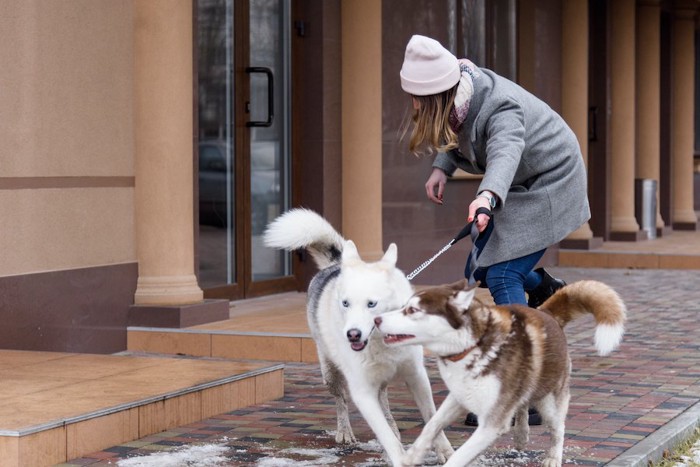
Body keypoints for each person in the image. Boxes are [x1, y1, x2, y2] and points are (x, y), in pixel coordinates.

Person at [400, 34, 591, 426]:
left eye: (419, 99)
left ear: (438, 94)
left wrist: (486, 196)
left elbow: (505, 150)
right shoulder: (459, 97)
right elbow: (453, 128)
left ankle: (519, 386)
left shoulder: (498, 105)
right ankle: (542, 288)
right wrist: (442, 167)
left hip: (550, 181)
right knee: (486, 271)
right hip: (519, 184)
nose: (414, 105)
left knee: (502, 272)